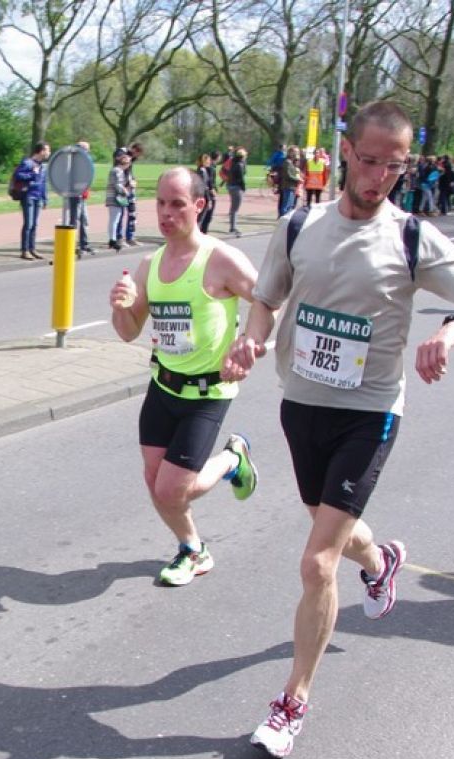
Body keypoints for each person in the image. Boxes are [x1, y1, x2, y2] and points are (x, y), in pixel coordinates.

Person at [221, 100, 454, 759]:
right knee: (333, 529)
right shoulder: (299, 226)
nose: (380, 176)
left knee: (317, 560)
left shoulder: (412, 238)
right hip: (302, 405)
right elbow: (266, 300)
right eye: (371, 160)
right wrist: (251, 339)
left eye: (395, 165)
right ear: (346, 153)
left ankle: (292, 702)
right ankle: (382, 562)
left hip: (370, 413)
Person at [108, 167, 261, 587]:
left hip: (208, 392)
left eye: (177, 204)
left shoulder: (221, 259)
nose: (166, 213)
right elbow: (128, 332)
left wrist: (248, 342)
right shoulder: (150, 265)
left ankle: (232, 459)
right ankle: (193, 548)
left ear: (199, 205)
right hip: (163, 387)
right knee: (155, 480)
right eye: (161, 203)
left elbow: (269, 300)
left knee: (171, 489)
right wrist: (120, 308)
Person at [15, 141, 50, 260]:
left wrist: (45, 198)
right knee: (28, 224)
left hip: (38, 197)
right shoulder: (27, 162)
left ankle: (32, 248)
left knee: (34, 224)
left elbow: (44, 183)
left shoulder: (43, 166)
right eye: (48, 150)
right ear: (41, 151)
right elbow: (18, 175)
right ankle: (24, 250)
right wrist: (32, 174)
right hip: (28, 196)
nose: (49, 153)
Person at [116, 142, 145, 246]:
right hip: (122, 189)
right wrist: (125, 157)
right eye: (137, 153)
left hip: (130, 189)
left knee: (132, 214)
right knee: (120, 214)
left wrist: (133, 180)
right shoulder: (122, 152)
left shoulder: (132, 158)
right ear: (134, 149)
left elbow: (129, 171)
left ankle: (130, 237)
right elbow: (118, 163)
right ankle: (119, 238)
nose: (137, 156)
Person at [106, 149, 132, 250]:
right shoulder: (118, 171)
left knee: (115, 219)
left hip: (114, 198)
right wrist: (126, 191)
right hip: (115, 198)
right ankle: (112, 240)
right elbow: (118, 185)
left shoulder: (117, 170)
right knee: (114, 220)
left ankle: (112, 239)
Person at [75, 140, 95, 255]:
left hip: (83, 195)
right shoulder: (75, 161)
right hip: (75, 195)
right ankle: (74, 245)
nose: (87, 152)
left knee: (84, 220)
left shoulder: (87, 160)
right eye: (86, 149)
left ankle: (84, 244)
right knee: (75, 221)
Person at [225, 148, 247, 236]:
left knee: (233, 207)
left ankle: (232, 226)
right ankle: (233, 228)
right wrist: (244, 188)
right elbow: (241, 178)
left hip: (231, 186)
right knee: (235, 208)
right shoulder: (239, 165)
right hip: (236, 187)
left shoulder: (234, 163)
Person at [195, 152, 217, 233]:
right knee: (201, 218)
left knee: (203, 217)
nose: (209, 162)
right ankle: (198, 234)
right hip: (204, 197)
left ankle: (201, 233)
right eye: (208, 160)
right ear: (204, 161)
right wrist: (209, 199)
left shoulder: (203, 170)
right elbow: (204, 187)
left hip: (204, 196)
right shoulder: (202, 171)